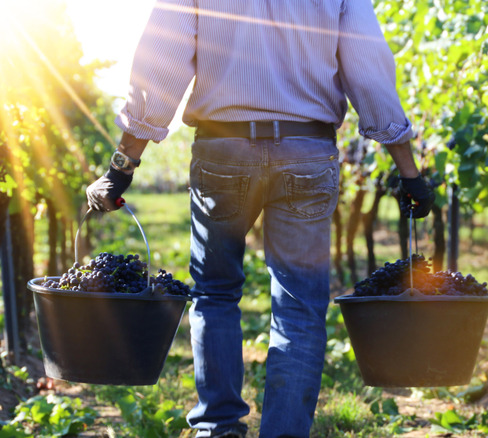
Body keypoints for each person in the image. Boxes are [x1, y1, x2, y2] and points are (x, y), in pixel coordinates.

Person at [85, 0, 434, 437]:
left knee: (214, 293)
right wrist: (408, 171)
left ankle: (218, 427)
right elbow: (369, 72)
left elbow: (161, 61)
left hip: (222, 153)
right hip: (307, 153)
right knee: (301, 306)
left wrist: (122, 166)